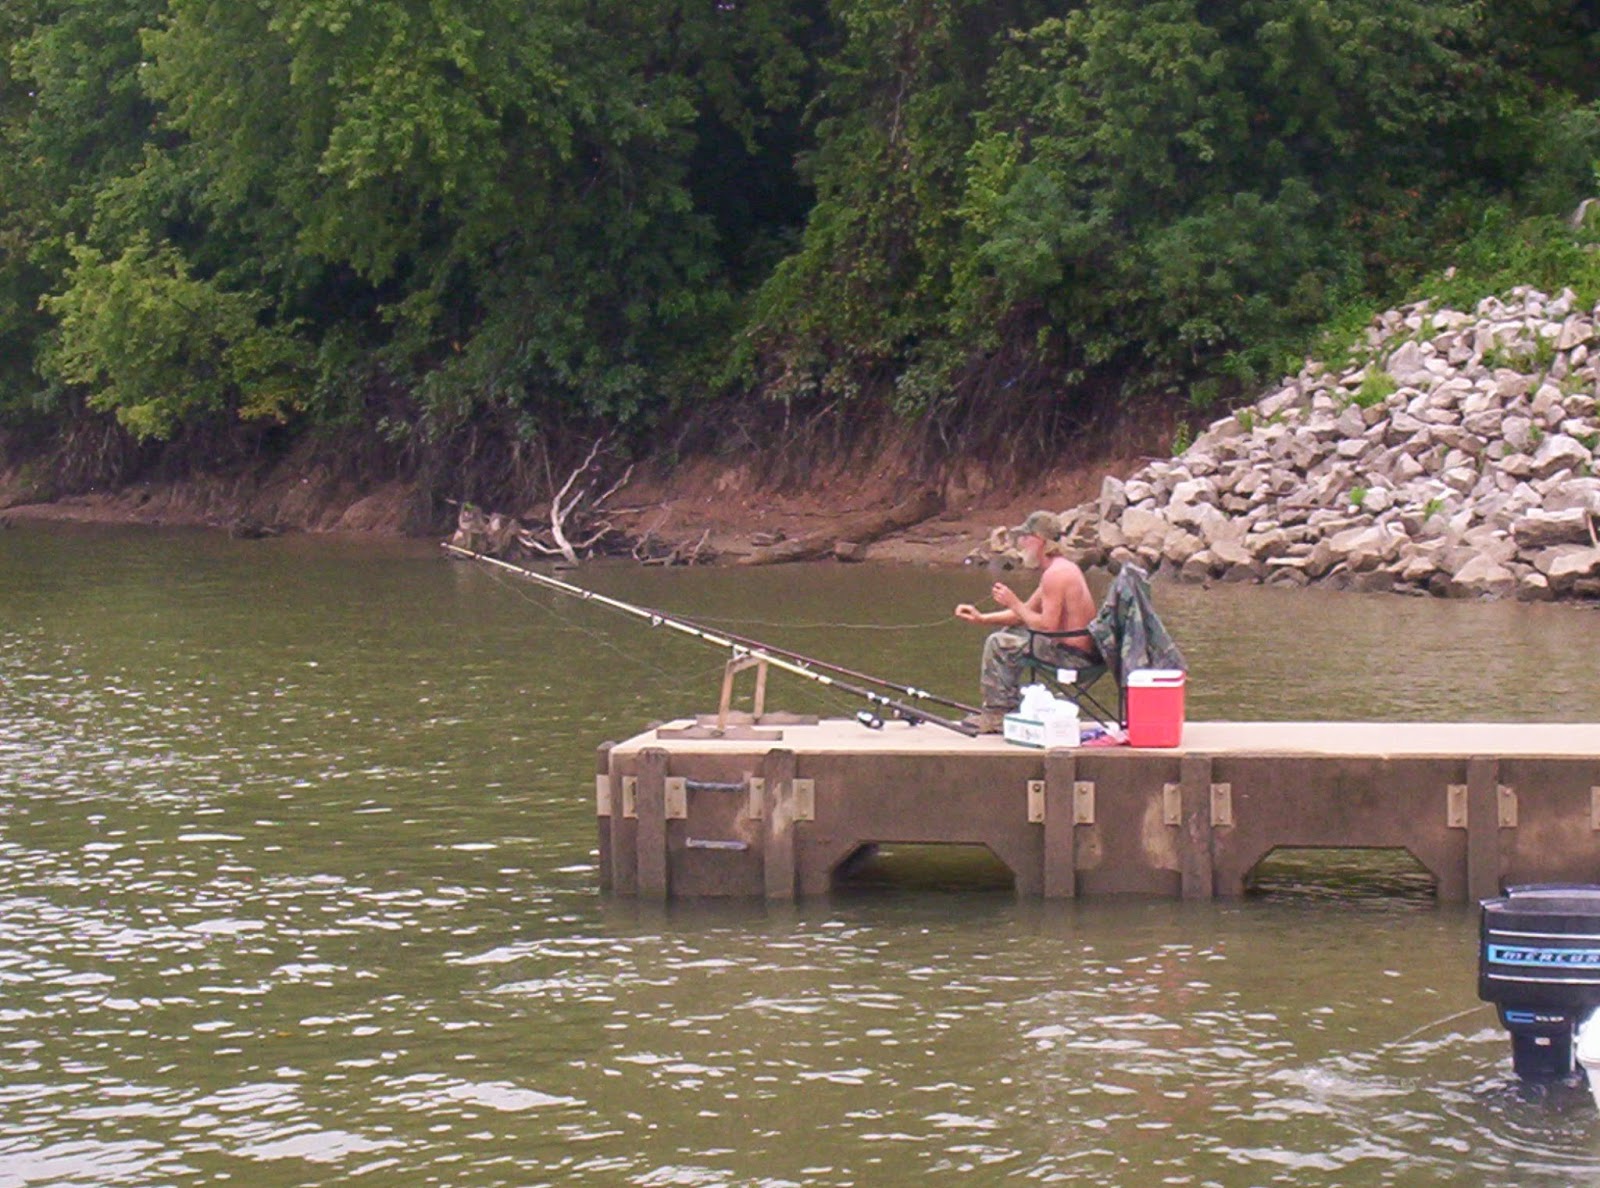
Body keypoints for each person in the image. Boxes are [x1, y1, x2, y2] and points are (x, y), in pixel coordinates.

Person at [953, 510, 1100, 733]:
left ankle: (997, 714)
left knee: (998, 643)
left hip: (1073, 659)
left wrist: (1013, 602)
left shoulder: (1056, 575)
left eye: (1025, 537)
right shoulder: (1059, 568)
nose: (1021, 543)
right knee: (1010, 631)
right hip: (1067, 648)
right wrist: (981, 618)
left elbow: (1046, 626)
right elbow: (1024, 615)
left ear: (1039, 540)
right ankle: (1003, 708)